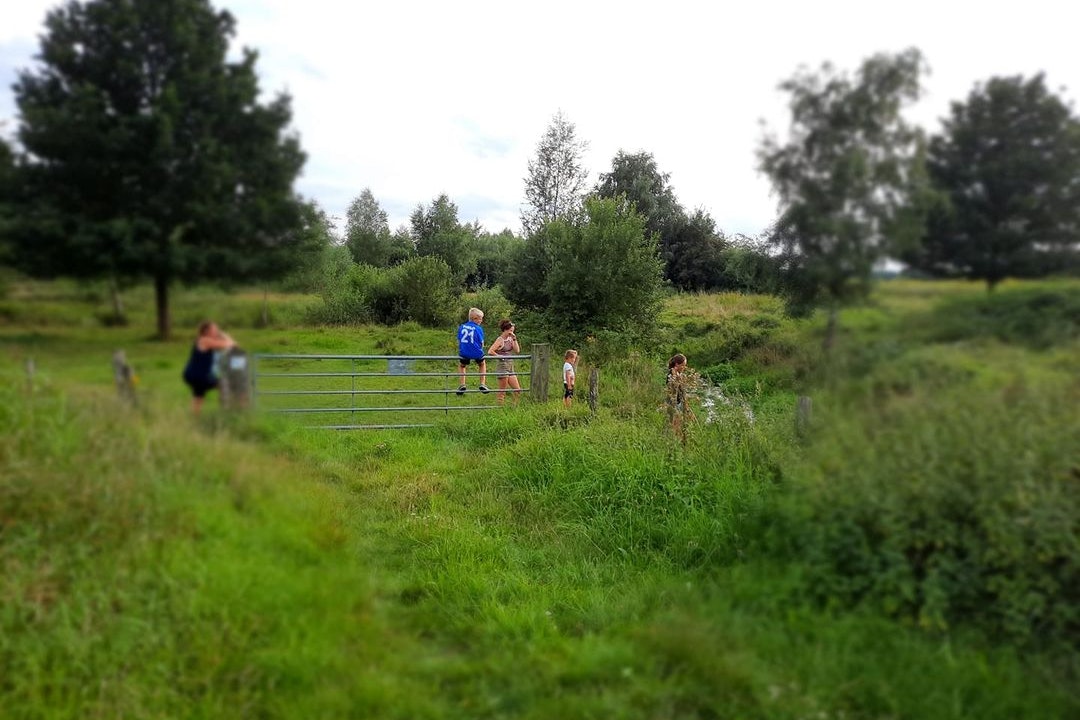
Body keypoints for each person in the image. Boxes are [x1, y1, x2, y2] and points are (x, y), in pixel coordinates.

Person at [182, 321, 236, 416]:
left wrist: (227, 342)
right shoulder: (205, 340)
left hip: (194, 375)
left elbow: (233, 347)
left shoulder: (204, 341)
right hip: (199, 375)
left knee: (198, 397)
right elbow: (229, 344)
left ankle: (194, 419)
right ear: (207, 331)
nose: (217, 331)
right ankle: (226, 413)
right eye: (215, 329)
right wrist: (225, 336)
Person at [456, 307, 488, 395]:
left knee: (462, 366)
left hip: (464, 351)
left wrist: (462, 348)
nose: (481, 321)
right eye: (480, 319)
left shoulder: (462, 327)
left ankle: (462, 384)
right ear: (475, 319)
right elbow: (481, 343)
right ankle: (482, 383)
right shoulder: (478, 329)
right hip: (476, 352)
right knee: (482, 364)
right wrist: (480, 349)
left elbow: (459, 340)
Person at [488, 319, 521, 405]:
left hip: (510, 366)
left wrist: (514, 339)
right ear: (505, 329)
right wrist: (499, 356)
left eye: (513, 331)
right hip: (503, 366)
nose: (512, 332)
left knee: (517, 390)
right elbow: (490, 351)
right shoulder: (500, 340)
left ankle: (514, 407)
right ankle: (500, 408)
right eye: (510, 331)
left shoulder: (511, 339)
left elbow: (517, 350)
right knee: (502, 391)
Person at [665, 353, 695, 444]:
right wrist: (678, 380)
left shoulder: (679, 374)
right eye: (683, 365)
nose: (684, 367)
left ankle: (681, 441)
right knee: (675, 424)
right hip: (673, 403)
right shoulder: (671, 375)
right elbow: (673, 389)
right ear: (677, 364)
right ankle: (674, 443)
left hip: (679, 402)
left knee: (682, 422)